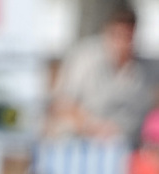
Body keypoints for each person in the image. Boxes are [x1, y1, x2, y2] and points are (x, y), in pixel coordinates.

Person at [45, 3, 154, 145]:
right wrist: (93, 127)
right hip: (82, 141)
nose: (122, 43)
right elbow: (61, 104)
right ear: (107, 32)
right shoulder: (84, 58)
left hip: (128, 145)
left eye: (127, 36)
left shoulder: (146, 69)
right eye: (117, 35)